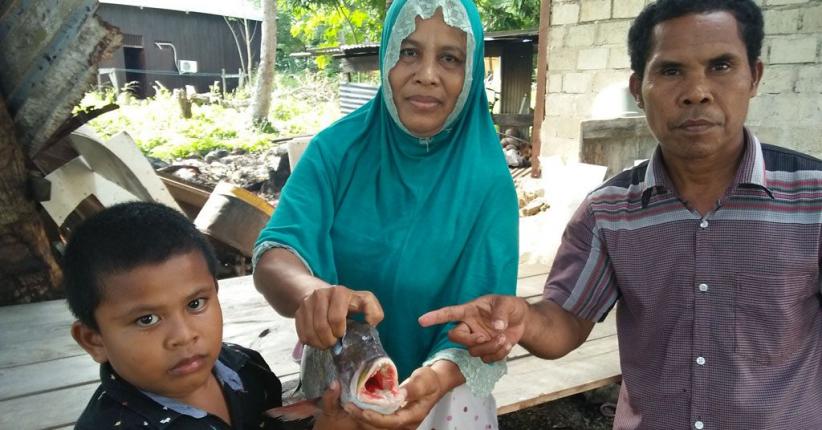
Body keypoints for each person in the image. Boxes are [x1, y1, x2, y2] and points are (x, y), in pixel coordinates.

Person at [420, 1, 822, 429]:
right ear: (637, 88)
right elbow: (567, 320)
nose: (696, 91)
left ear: (754, 77)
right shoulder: (610, 211)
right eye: (671, 71)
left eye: (720, 66)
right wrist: (524, 319)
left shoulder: (813, 199)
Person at [252, 0, 519, 428]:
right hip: (341, 388)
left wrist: (435, 379)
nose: (427, 74)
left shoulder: (488, 180)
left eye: (449, 58)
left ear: (469, 75)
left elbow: (486, 318)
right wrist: (313, 295)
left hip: (443, 392)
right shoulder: (335, 150)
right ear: (385, 58)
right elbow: (275, 254)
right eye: (409, 52)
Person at [64, 202, 347, 429]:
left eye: (196, 303)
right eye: (146, 319)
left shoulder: (245, 368)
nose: (184, 335)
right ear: (94, 340)